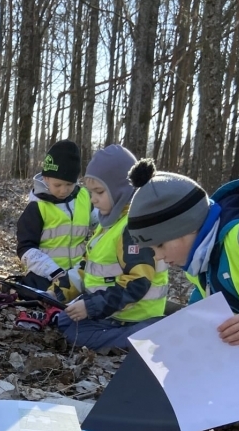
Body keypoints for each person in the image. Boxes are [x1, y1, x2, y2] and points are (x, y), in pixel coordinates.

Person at [49, 146, 169, 351]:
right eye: (90, 192)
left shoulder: (132, 229)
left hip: (133, 315)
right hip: (111, 312)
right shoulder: (109, 225)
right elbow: (87, 269)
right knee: (64, 321)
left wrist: (91, 306)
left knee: (75, 334)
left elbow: (137, 283)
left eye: (100, 192)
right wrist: (57, 293)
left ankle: (145, 336)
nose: (93, 199)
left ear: (121, 190)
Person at [127, 162, 239, 346]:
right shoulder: (199, 261)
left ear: (187, 228)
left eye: (160, 245)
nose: (158, 256)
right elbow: (203, 311)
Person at [15, 140, 90, 290]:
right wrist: (54, 272)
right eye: (58, 185)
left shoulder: (84, 197)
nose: (64, 190)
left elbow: (102, 225)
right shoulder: (37, 207)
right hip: (46, 276)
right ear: (46, 178)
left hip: (80, 273)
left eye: (69, 184)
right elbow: (25, 248)